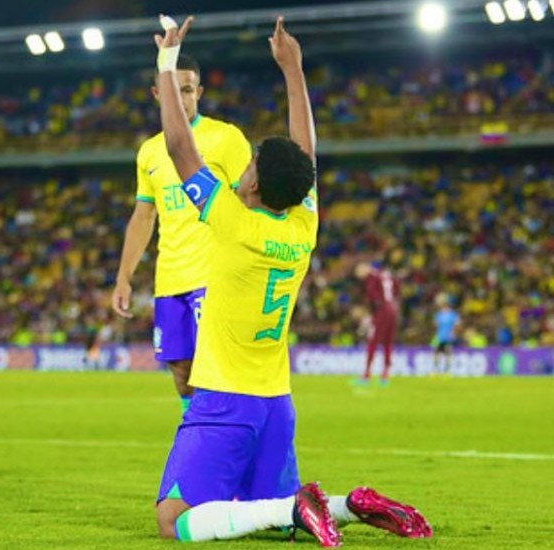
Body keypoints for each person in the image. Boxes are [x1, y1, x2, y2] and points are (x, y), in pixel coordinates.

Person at [152, 15, 432, 545]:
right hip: (276, 403)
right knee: (266, 508)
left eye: (249, 164)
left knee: (174, 522)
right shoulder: (303, 225)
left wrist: (167, 62)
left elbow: (177, 146)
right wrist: (293, 70)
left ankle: (306, 508)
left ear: (254, 182)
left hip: (224, 400)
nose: (241, 170)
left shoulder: (233, 221)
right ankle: (350, 505)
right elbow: (306, 154)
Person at [111, 52, 252, 412]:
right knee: (181, 372)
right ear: (158, 94)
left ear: (200, 92)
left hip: (216, 276)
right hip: (170, 279)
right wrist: (124, 277)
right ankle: (197, 437)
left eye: (188, 90)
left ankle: (223, 447)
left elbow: (250, 203)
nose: (183, 98)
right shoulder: (149, 152)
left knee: (219, 371)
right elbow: (143, 217)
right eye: (174, 90)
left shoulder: (226, 139)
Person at [354, 261, 401, 386]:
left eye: (359, 273)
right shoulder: (385, 275)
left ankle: (366, 375)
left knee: (372, 341)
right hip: (393, 309)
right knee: (388, 342)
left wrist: (373, 311)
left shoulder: (371, 279)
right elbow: (397, 287)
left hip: (382, 310)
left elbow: (372, 295)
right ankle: (385, 375)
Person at [433, 293, 460, 374]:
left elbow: (457, 324)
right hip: (439, 337)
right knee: (436, 353)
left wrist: (453, 332)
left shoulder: (453, 314)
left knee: (448, 354)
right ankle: (437, 370)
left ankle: (446, 371)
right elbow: (436, 325)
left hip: (448, 337)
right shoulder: (438, 314)